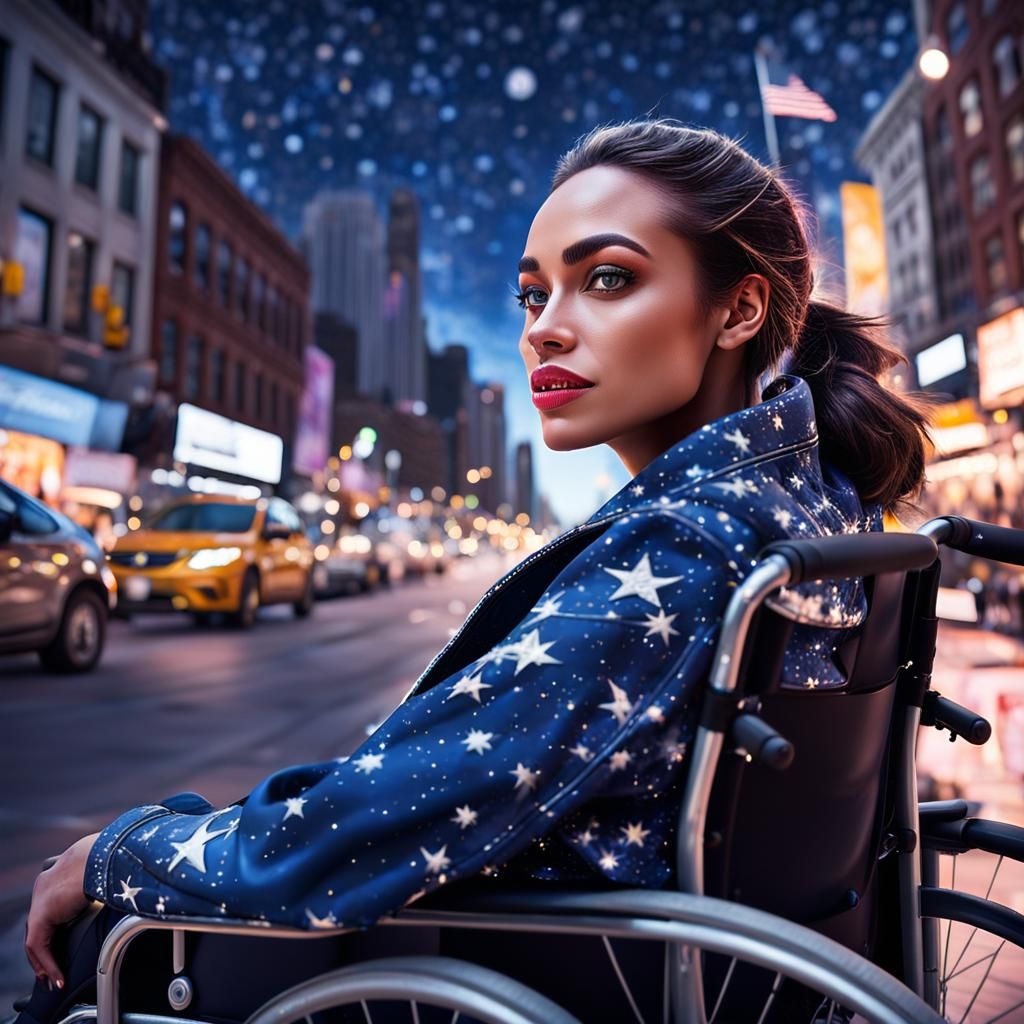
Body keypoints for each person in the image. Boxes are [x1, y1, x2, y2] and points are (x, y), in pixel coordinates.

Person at [16, 118, 933, 1023]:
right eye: (534, 296)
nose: (545, 331)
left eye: (607, 279)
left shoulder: (687, 545)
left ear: (739, 309)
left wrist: (122, 853)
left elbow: (376, 822)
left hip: (538, 969)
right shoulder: (820, 508)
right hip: (719, 969)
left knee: (107, 952)